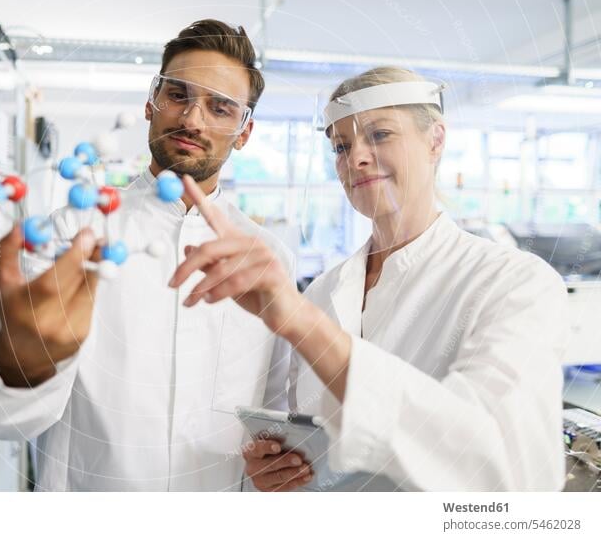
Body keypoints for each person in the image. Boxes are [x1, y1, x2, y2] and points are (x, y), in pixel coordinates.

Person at [170, 66, 569, 491]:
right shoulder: (325, 291)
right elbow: (314, 442)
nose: (355, 158)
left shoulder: (515, 284)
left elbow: (504, 462)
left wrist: (300, 319)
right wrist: (277, 470)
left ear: (435, 140)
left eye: (379, 135)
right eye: (341, 146)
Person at [0, 19, 294, 491]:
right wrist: (24, 364)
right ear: (150, 102)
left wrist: (277, 458)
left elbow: (276, 410)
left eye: (220, 108)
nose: (192, 120)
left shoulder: (266, 257)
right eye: (178, 95)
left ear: (244, 132)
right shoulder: (74, 233)